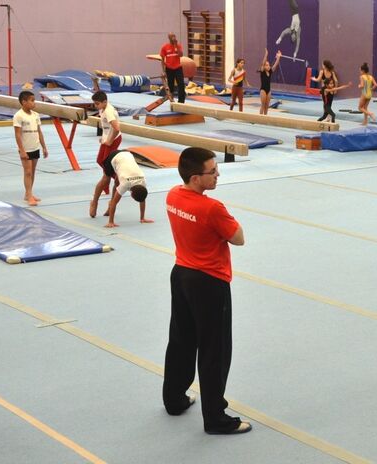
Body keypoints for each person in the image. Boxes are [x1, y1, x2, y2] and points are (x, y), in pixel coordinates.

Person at [163, 146, 251, 435]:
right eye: (212, 171)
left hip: (182, 274)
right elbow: (238, 238)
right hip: (209, 281)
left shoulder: (173, 195)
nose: (217, 175)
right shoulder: (212, 207)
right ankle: (215, 417)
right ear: (195, 177)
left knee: (181, 339)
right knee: (215, 349)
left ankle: (174, 398)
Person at [92, 150, 153, 228]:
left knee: (117, 183)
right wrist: (111, 222)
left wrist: (142, 218)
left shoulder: (142, 182)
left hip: (127, 155)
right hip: (113, 157)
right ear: (131, 194)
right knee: (106, 181)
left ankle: (109, 209)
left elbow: (142, 199)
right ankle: (94, 202)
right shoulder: (125, 184)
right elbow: (114, 203)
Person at [13, 90, 48, 206]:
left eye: (34, 100)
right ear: (24, 102)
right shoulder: (18, 116)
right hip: (25, 148)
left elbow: (39, 132)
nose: (34, 103)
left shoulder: (35, 115)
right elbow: (17, 135)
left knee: (32, 172)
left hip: (35, 147)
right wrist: (22, 150)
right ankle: (29, 196)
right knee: (27, 172)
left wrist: (44, 147)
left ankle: (28, 193)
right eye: (32, 101)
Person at [89, 90, 121, 214]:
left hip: (113, 140)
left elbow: (117, 128)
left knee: (107, 172)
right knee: (100, 161)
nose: (95, 106)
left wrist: (109, 141)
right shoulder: (103, 108)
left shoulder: (108, 111)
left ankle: (97, 201)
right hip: (108, 139)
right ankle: (108, 181)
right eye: (94, 104)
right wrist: (104, 138)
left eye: (97, 104)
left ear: (104, 102)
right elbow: (107, 128)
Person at [160, 33, 186, 103]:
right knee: (170, 86)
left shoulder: (178, 46)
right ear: (169, 38)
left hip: (178, 68)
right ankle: (172, 100)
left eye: (174, 36)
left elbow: (181, 55)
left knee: (181, 84)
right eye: (172, 37)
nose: (173, 38)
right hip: (169, 69)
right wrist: (163, 71)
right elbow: (162, 60)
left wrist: (176, 46)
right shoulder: (165, 47)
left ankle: (181, 101)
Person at [257, 49, 281, 115]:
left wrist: (278, 57)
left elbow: (275, 65)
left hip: (268, 90)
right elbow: (263, 63)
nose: (268, 66)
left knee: (267, 105)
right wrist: (266, 54)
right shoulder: (262, 72)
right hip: (263, 90)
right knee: (263, 104)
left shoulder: (270, 72)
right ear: (264, 66)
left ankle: (265, 117)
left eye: (269, 65)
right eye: (266, 65)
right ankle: (260, 118)